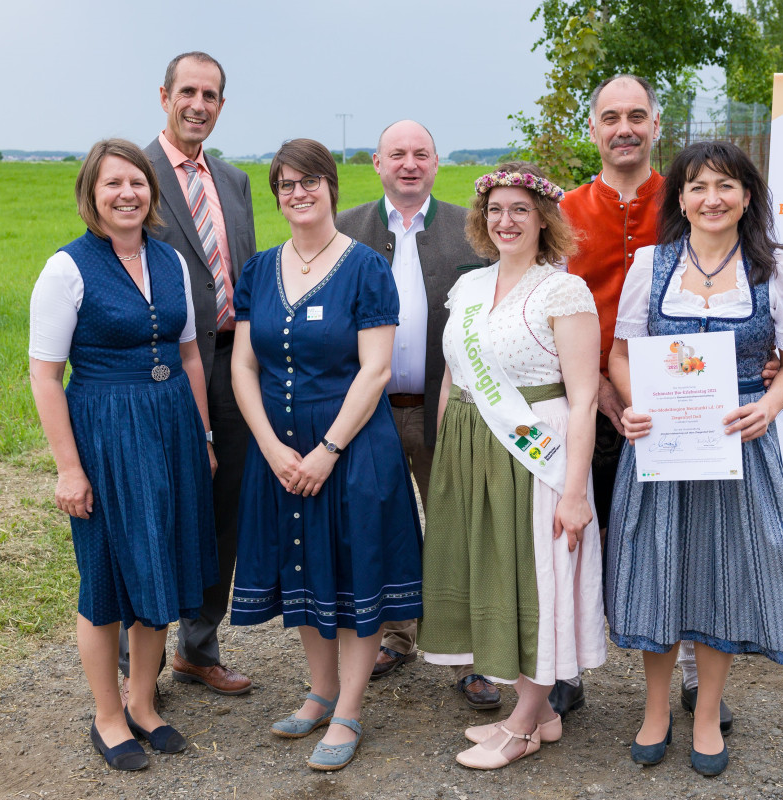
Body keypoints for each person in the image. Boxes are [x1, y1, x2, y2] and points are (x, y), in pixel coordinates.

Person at [604, 141, 783, 775]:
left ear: (748, 197)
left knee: (720, 576)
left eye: (726, 186)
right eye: (697, 187)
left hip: (739, 442)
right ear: (681, 200)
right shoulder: (652, 263)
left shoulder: (776, 269)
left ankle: (706, 714)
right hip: (663, 446)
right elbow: (620, 355)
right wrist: (636, 406)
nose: (712, 199)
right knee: (658, 571)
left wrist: (769, 406)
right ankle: (655, 709)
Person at [560, 73, 754, 728]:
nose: (624, 128)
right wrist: (605, 393)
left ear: (655, 125)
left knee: (691, 533)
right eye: (610, 116)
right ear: (593, 128)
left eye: (636, 116)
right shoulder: (564, 211)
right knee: (577, 533)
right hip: (589, 399)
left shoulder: (692, 197)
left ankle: (698, 675)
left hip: (681, 405)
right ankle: (566, 662)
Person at [228, 139, 423, 772]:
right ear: (276, 194)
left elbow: (375, 371)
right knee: (304, 568)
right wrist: (271, 448)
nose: (298, 193)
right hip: (279, 445)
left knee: (351, 567)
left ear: (331, 187)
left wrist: (327, 449)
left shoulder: (366, 267)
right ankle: (320, 690)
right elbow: (243, 365)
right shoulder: (259, 269)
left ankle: (349, 710)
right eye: (286, 184)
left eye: (310, 181)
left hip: (352, 443)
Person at [28, 139, 218, 770]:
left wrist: (205, 437)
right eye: (113, 184)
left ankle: (143, 702)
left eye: (137, 182)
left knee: (159, 558)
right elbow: (45, 375)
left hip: (171, 429)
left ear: (151, 192)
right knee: (107, 575)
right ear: (92, 193)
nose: (127, 194)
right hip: (105, 430)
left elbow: (191, 356)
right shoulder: (68, 268)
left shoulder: (170, 261)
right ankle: (107, 716)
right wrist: (69, 467)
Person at [418, 163, 607, 770]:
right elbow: (454, 373)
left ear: (543, 218)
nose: (506, 220)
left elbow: (582, 398)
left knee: (535, 579)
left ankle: (524, 724)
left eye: (520, 209)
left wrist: (574, 493)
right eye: (495, 209)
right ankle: (543, 714)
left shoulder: (563, 291)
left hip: (536, 455)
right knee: (496, 576)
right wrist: (450, 455)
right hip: (473, 448)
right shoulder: (469, 288)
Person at [335, 119, 500, 711]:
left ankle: (472, 658)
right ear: (376, 163)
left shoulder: (471, 229)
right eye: (396, 154)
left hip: (448, 411)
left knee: (458, 528)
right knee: (377, 526)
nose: (409, 163)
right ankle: (394, 636)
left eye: (421, 153)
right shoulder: (345, 228)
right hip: (369, 412)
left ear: (436, 162)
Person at [118, 51, 256, 701]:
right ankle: (133, 659)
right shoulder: (133, 174)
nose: (199, 103)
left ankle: (198, 648)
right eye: (188, 91)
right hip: (162, 373)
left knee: (223, 509)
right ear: (164, 95)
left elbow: (245, 276)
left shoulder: (234, 181)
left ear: (221, 105)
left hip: (231, 366)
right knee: (158, 508)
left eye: (211, 94)